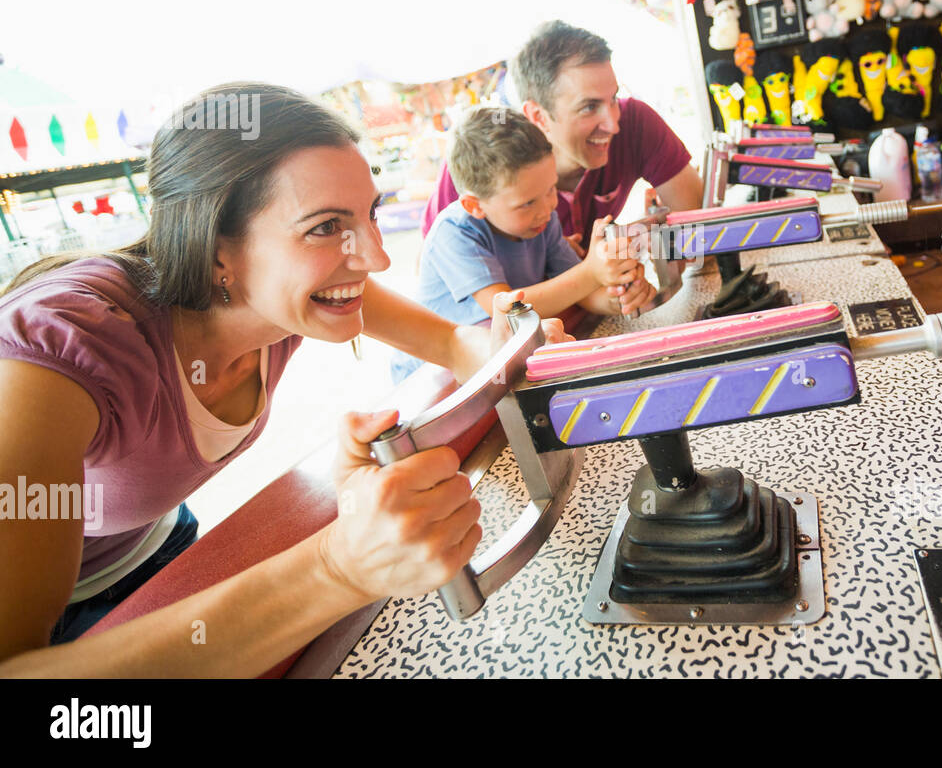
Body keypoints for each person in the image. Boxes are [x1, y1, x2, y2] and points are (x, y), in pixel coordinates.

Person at [0, 83, 568, 676]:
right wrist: (337, 567)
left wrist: (528, 351)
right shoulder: (56, 350)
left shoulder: (290, 291)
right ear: (217, 248)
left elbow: (455, 342)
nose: (376, 258)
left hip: (158, 543)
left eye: (369, 215)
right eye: (325, 227)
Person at [392, 107, 653, 383]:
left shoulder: (541, 220)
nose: (548, 208)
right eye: (527, 203)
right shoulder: (454, 233)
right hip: (432, 377)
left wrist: (617, 295)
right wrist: (591, 272)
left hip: (499, 362)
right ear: (474, 205)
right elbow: (508, 312)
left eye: (551, 189)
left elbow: (579, 290)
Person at [421, 20, 705, 253]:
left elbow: (695, 222)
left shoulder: (635, 121)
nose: (613, 124)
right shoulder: (479, 157)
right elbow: (436, 269)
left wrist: (633, 243)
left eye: (613, 99)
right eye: (589, 107)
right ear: (538, 116)